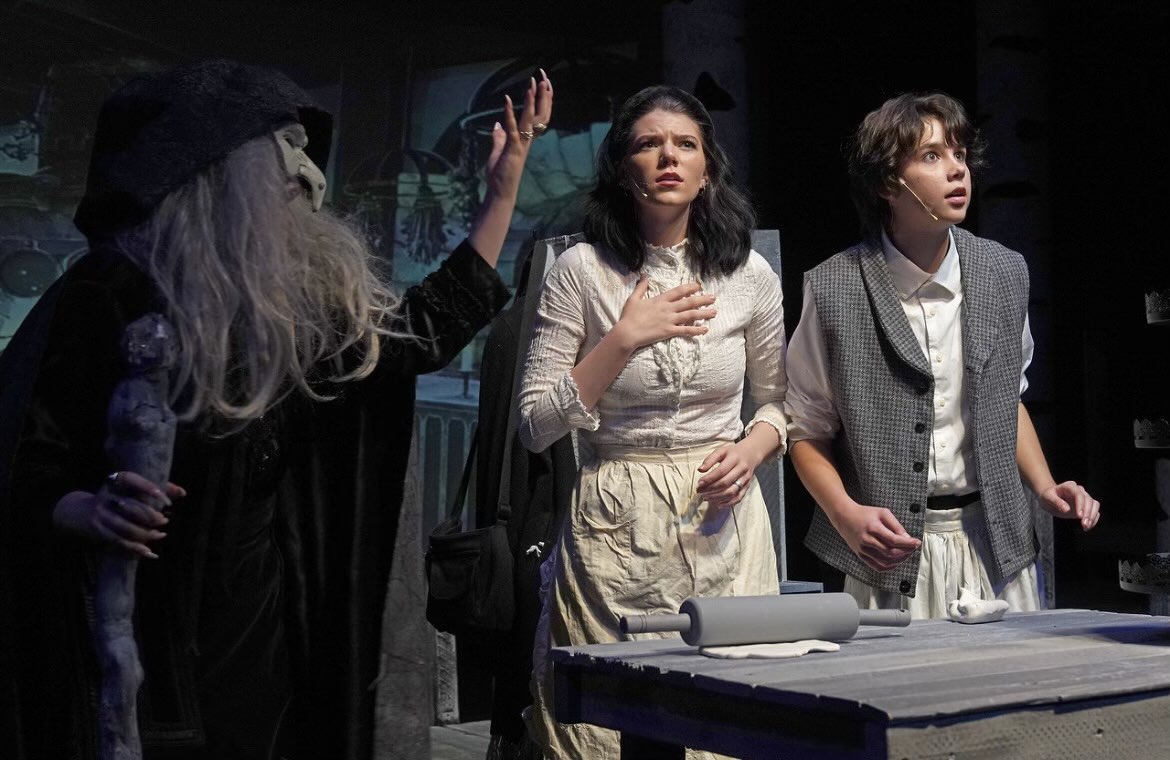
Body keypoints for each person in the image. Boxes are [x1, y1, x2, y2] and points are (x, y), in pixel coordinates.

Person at [0, 58, 552, 759]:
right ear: (215, 166)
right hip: (142, 619)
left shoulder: (294, 306)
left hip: (260, 623)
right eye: (283, 150)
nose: (308, 176)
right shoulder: (113, 290)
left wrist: (501, 193)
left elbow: (418, 335)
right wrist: (85, 507)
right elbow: (28, 452)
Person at [518, 85, 787, 759]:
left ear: (707, 169)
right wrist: (623, 339)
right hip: (615, 525)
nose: (669, 156)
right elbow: (534, 424)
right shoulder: (581, 271)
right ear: (621, 167)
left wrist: (752, 449)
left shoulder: (749, 274)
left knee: (727, 729)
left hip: (723, 521)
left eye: (685, 144)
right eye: (648, 143)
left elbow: (780, 403)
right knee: (606, 734)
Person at [785, 92, 1101, 620]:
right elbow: (807, 430)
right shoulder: (835, 286)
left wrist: (1045, 487)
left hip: (994, 544)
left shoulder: (1003, 272)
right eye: (932, 156)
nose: (957, 170)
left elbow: (1008, 399)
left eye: (960, 154)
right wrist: (845, 515)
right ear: (888, 182)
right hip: (888, 555)